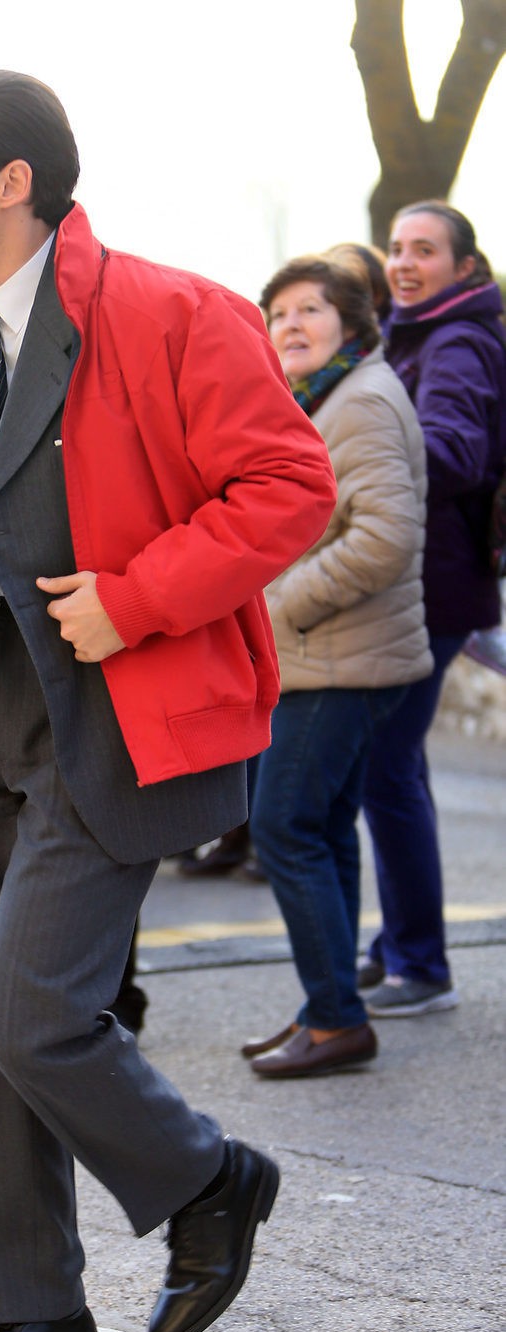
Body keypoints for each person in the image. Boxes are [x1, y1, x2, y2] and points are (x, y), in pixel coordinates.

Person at [0, 70, 336, 1332]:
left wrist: (139, 596)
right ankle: (38, 1316)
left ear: (12, 183)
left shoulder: (179, 312)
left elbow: (290, 488)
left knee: (31, 1014)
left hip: (102, 725)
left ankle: (208, 1178)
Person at [244, 256, 432, 1080]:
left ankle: (335, 1019)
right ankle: (330, 1000)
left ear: (349, 321)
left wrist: (284, 603)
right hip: (342, 658)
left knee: (283, 826)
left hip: (338, 659)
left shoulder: (359, 404)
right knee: (322, 828)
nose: (290, 324)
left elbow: (386, 536)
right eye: (278, 311)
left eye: (309, 309)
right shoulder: (333, 396)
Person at [360, 202, 506, 1017]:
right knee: (392, 768)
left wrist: (362, 460)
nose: (406, 262)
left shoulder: (455, 340)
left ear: (463, 265)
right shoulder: (416, 330)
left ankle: (419, 962)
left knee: (387, 768)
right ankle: (400, 949)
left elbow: (453, 452)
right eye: (398, 248)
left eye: (425, 250)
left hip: (438, 588)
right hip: (426, 582)